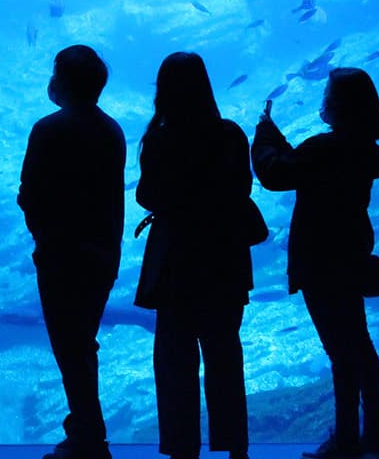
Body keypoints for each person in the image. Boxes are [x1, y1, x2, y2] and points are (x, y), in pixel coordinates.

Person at [252, 68, 379, 459]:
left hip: (320, 260)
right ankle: (370, 439)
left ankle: (350, 441)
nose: (323, 99)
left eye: (328, 93)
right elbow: (299, 162)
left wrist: (263, 133)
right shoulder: (361, 150)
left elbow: (276, 173)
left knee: (343, 352)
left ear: (339, 105)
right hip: (350, 254)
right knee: (358, 347)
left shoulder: (325, 149)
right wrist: (275, 135)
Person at [133, 52, 255, 459]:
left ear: (162, 92)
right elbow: (243, 190)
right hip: (225, 260)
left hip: (177, 263)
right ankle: (235, 447)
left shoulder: (160, 139)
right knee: (224, 355)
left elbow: (147, 194)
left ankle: (183, 448)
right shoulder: (231, 135)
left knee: (175, 362)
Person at [19, 44, 126, 459]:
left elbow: (30, 194)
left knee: (70, 346)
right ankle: (85, 430)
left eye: (55, 73)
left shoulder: (48, 129)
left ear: (62, 82)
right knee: (81, 341)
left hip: (61, 257)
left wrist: (44, 236)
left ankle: (88, 437)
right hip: (102, 256)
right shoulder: (112, 130)